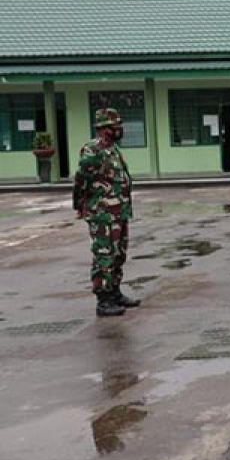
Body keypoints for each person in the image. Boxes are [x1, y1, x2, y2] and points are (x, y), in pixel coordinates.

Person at [73, 108, 138, 317]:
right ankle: (103, 300)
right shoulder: (93, 150)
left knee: (118, 254)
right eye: (115, 126)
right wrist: (79, 204)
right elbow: (81, 180)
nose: (119, 129)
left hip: (119, 212)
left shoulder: (113, 149)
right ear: (103, 129)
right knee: (104, 255)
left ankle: (115, 292)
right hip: (102, 213)